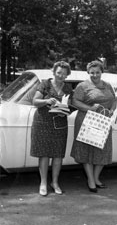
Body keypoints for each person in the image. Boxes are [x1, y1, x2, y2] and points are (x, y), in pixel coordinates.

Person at [71, 60, 116, 193]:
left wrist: (112, 109)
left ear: (102, 72)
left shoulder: (107, 85)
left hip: (103, 120)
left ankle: (96, 178)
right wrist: (90, 108)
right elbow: (74, 101)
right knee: (87, 151)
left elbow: (114, 100)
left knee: (103, 150)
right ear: (88, 73)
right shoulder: (82, 86)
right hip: (87, 120)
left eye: (97, 72)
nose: (95, 75)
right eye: (92, 73)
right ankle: (91, 180)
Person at [30, 61, 72, 196]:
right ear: (54, 72)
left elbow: (70, 107)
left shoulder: (68, 88)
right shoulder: (45, 84)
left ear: (67, 75)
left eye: (64, 74)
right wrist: (47, 101)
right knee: (44, 153)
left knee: (58, 154)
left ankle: (55, 182)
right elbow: (35, 101)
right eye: (59, 72)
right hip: (43, 122)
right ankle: (43, 182)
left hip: (60, 122)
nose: (61, 76)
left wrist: (65, 110)